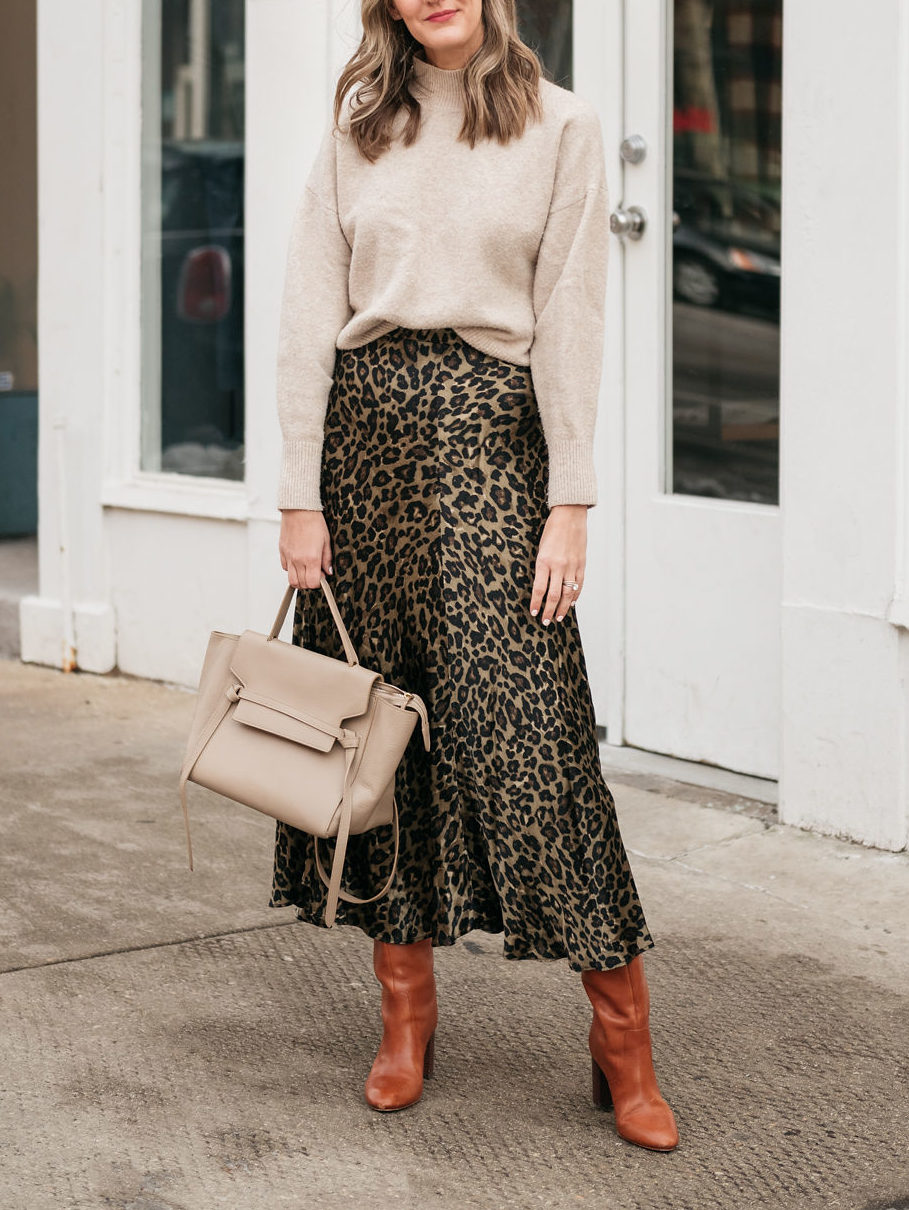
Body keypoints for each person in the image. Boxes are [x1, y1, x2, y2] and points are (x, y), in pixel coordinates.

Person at [270, 0, 679, 1152]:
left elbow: (571, 317)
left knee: (535, 740)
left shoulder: (562, 126)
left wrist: (572, 502)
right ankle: (405, 1019)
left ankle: (623, 1044)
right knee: (372, 742)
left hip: (498, 446)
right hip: (366, 456)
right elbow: (308, 313)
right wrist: (299, 494)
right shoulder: (360, 127)